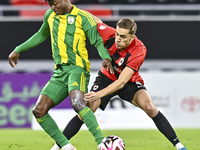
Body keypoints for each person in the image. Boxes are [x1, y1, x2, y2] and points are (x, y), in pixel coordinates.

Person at [50, 15, 188, 150]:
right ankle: (57, 146)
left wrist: (99, 94)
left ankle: (179, 146)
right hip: (106, 78)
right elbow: (94, 20)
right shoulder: (109, 34)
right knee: (86, 111)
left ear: (132, 37)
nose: (118, 39)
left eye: (123, 37)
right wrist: (72, 11)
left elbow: (121, 82)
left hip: (128, 82)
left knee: (150, 107)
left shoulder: (139, 50)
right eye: (117, 34)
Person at [8, 0, 114, 150]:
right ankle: (66, 146)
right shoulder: (50, 15)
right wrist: (18, 49)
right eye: (50, 4)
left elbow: (97, 41)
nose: (52, 7)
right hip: (59, 72)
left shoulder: (84, 17)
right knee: (39, 111)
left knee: (78, 103)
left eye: (55, 3)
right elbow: (41, 35)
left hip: (78, 69)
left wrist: (106, 58)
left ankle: (101, 143)